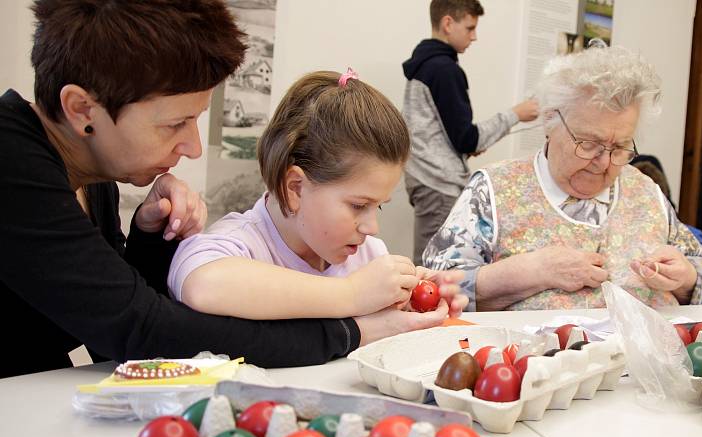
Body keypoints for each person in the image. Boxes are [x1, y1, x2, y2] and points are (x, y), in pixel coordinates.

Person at [0, 1, 438, 378]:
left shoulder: (91, 178)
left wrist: (150, 237)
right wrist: (350, 325)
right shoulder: (12, 162)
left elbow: (107, 326)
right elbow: (146, 332)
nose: (192, 147)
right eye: (175, 124)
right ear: (82, 109)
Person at [423, 44, 702, 311]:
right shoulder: (494, 189)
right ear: (550, 122)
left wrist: (686, 278)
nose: (604, 163)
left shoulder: (645, 190)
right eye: (588, 144)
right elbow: (435, 288)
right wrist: (533, 270)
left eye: (620, 147)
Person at [168, 70, 467, 321]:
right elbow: (202, 284)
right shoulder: (243, 243)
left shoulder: (370, 254)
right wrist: (352, 295)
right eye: (359, 205)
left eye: (379, 207)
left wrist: (410, 309)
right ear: (295, 188)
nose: (371, 227)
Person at [402, 0, 540, 264]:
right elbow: (467, 138)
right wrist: (516, 114)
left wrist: (465, 146)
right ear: (447, 23)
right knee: (434, 268)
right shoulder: (443, 70)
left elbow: (446, 132)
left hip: (424, 178)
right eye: (470, 28)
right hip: (438, 183)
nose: (474, 37)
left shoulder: (424, 65)